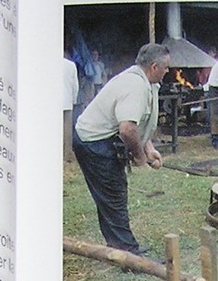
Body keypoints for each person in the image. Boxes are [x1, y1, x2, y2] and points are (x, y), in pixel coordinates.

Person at [71, 43, 170, 256]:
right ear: (154, 67)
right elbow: (127, 129)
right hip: (93, 142)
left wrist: (148, 147)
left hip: (102, 138)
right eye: (166, 67)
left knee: (110, 195)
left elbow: (140, 122)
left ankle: (118, 246)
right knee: (113, 194)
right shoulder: (134, 86)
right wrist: (140, 157)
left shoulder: (148, 82)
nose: (168, 71)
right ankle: (127, 253)